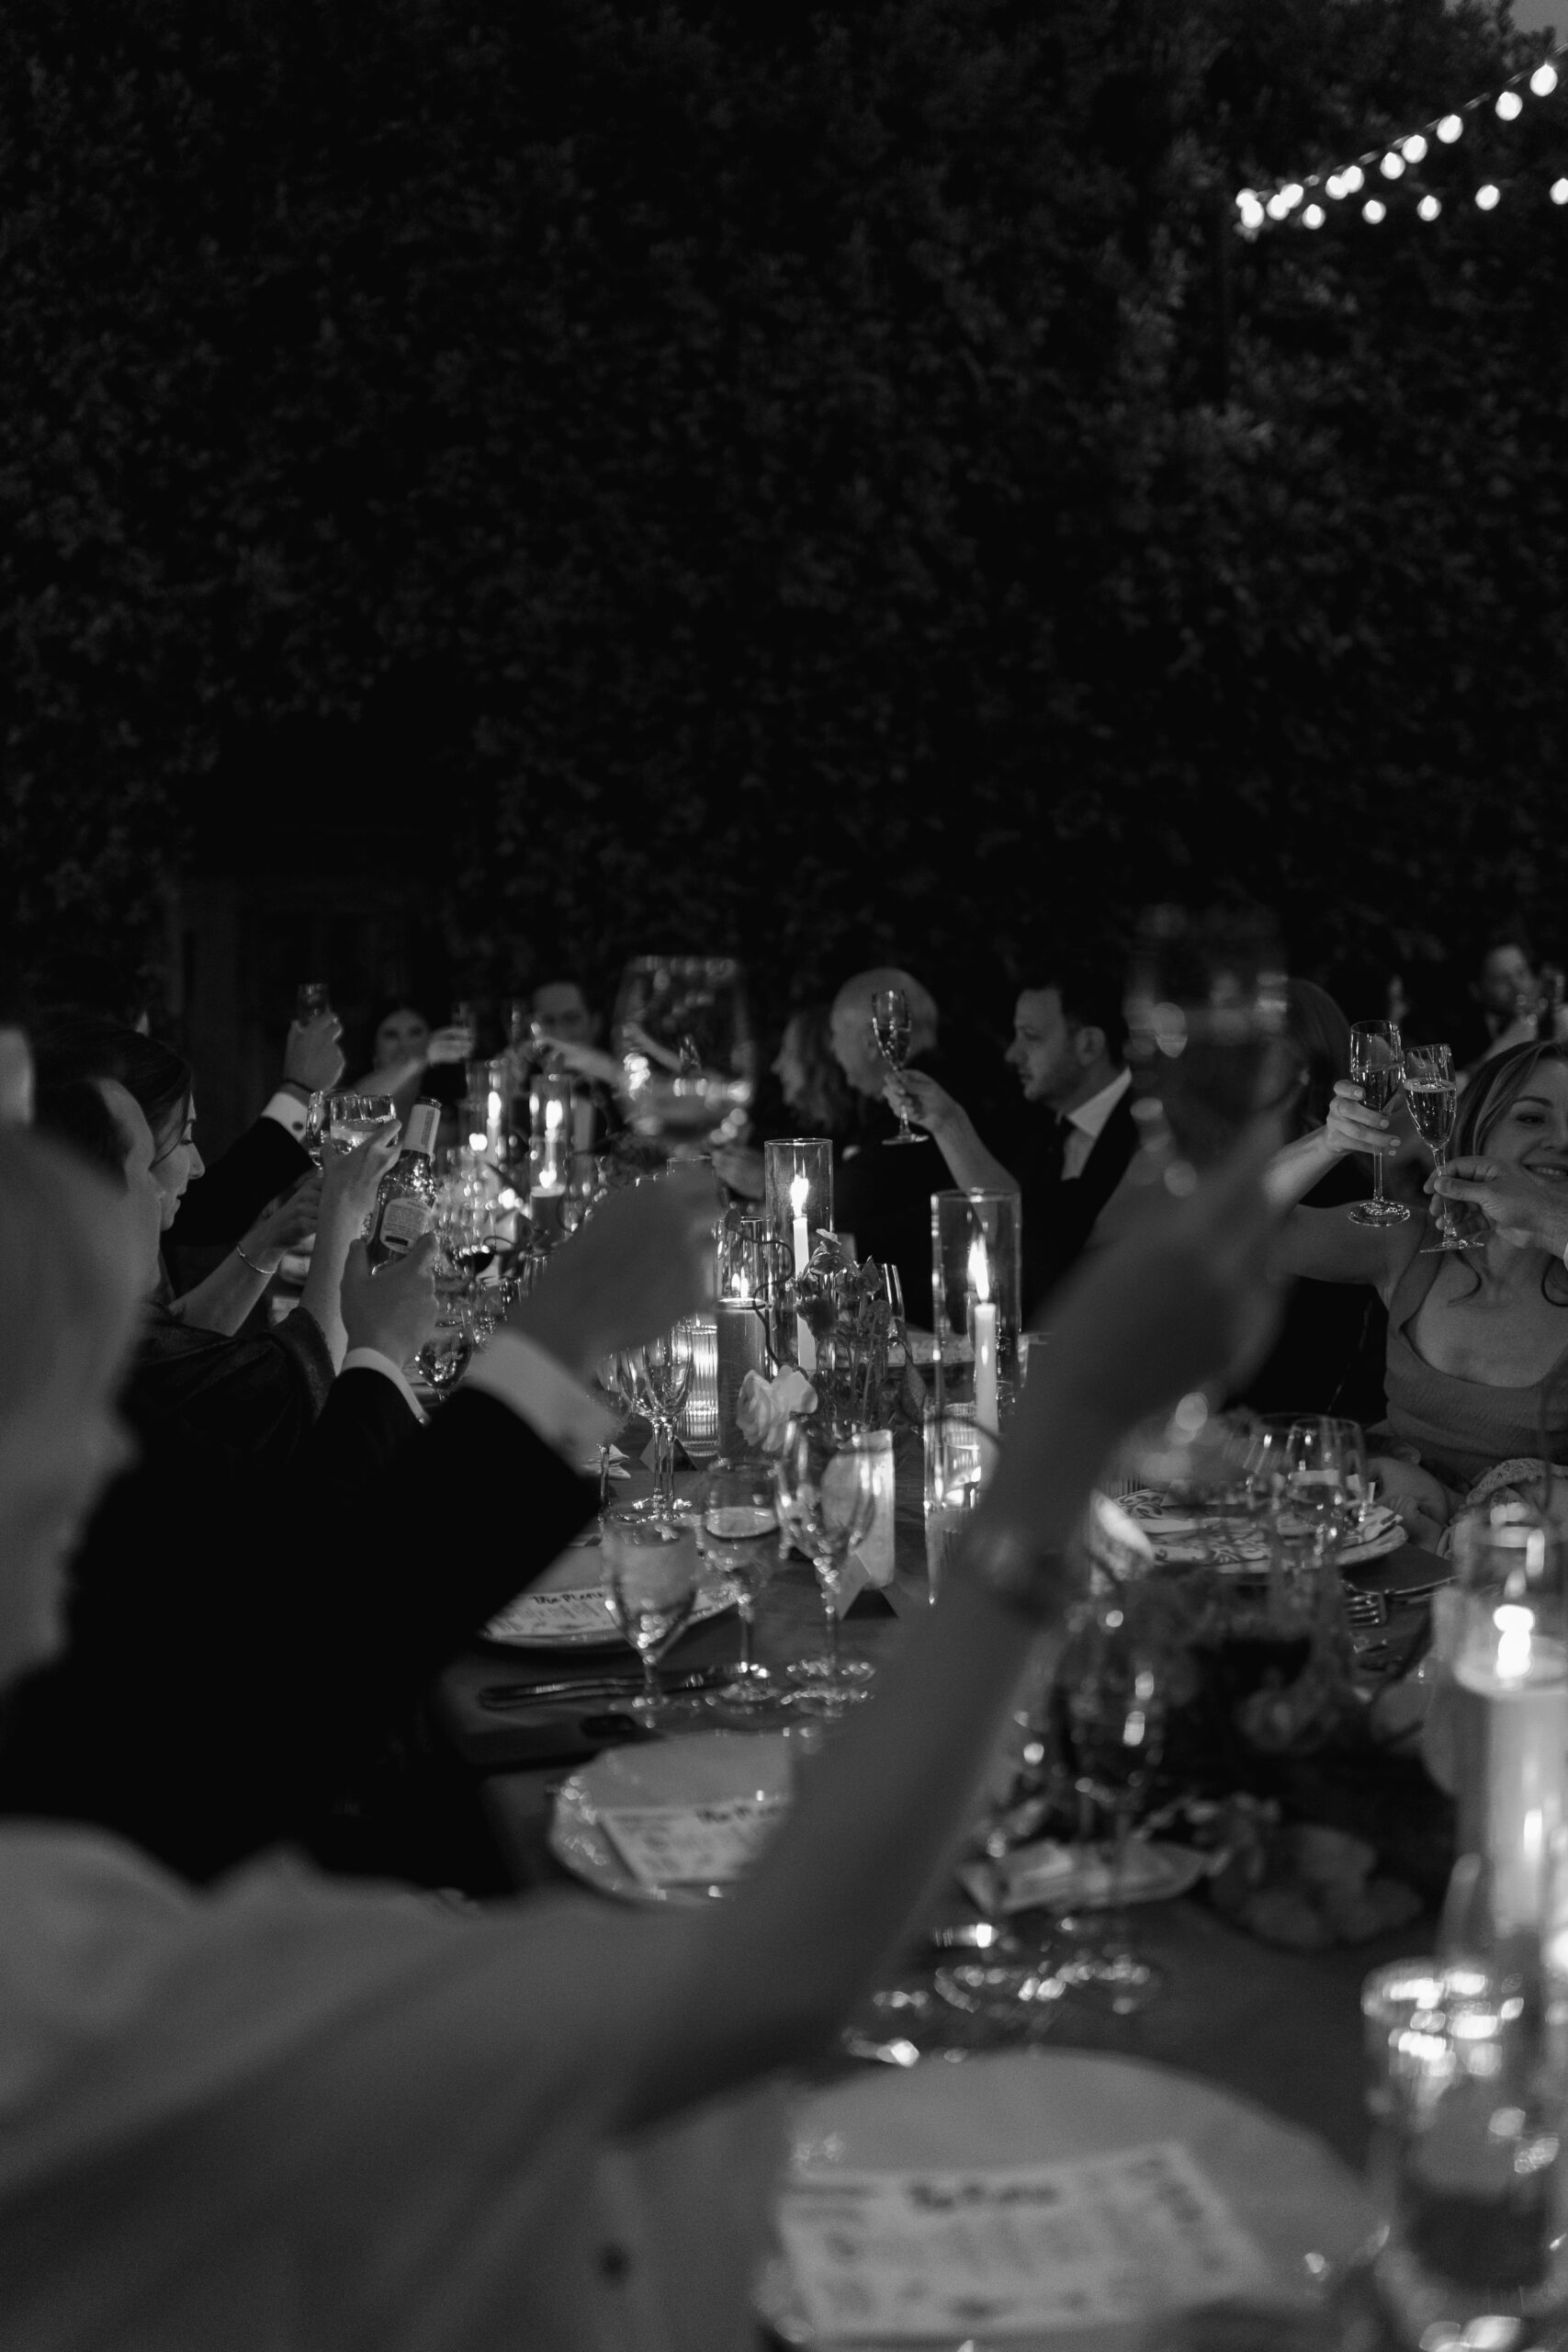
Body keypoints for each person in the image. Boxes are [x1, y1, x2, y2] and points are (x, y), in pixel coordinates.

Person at [0, 1090, 1280, 2347]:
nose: (113, 1458)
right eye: (64, 1415)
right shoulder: (64, 1994)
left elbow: (224, 1735)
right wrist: (1063, 1436)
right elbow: (775, 1969)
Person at [1264, 1038, 1568, 1545]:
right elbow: (1240, 1230)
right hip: (1382, 1550)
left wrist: (1555, 1227)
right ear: (1477, 1129)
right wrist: (1330, 1142)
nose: (1564, 1140)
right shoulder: (1413, 1245)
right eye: (1532, 1119)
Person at [892, 961, 1136, 1318]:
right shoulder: (1032, 1130)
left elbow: (1050, 1245)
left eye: (1031, 1036)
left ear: (1088, 1045)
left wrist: (948, 1123)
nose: (1012, 1054)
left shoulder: (1145, 1138)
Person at [827, 966, 950, 1322]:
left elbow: (846, 1207)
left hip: (926, 1323)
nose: (833, 1051)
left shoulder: (927, 1102)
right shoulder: (878, 1108)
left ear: (872, 1041)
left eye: (836, 1035)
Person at [711, 1003, 859, 1200]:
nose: (776, 1066)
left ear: (816, 1060)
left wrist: (770, 1184)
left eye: (788, 1052)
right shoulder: (789, 1126)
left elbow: (845, 1211)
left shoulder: (858, 1136)